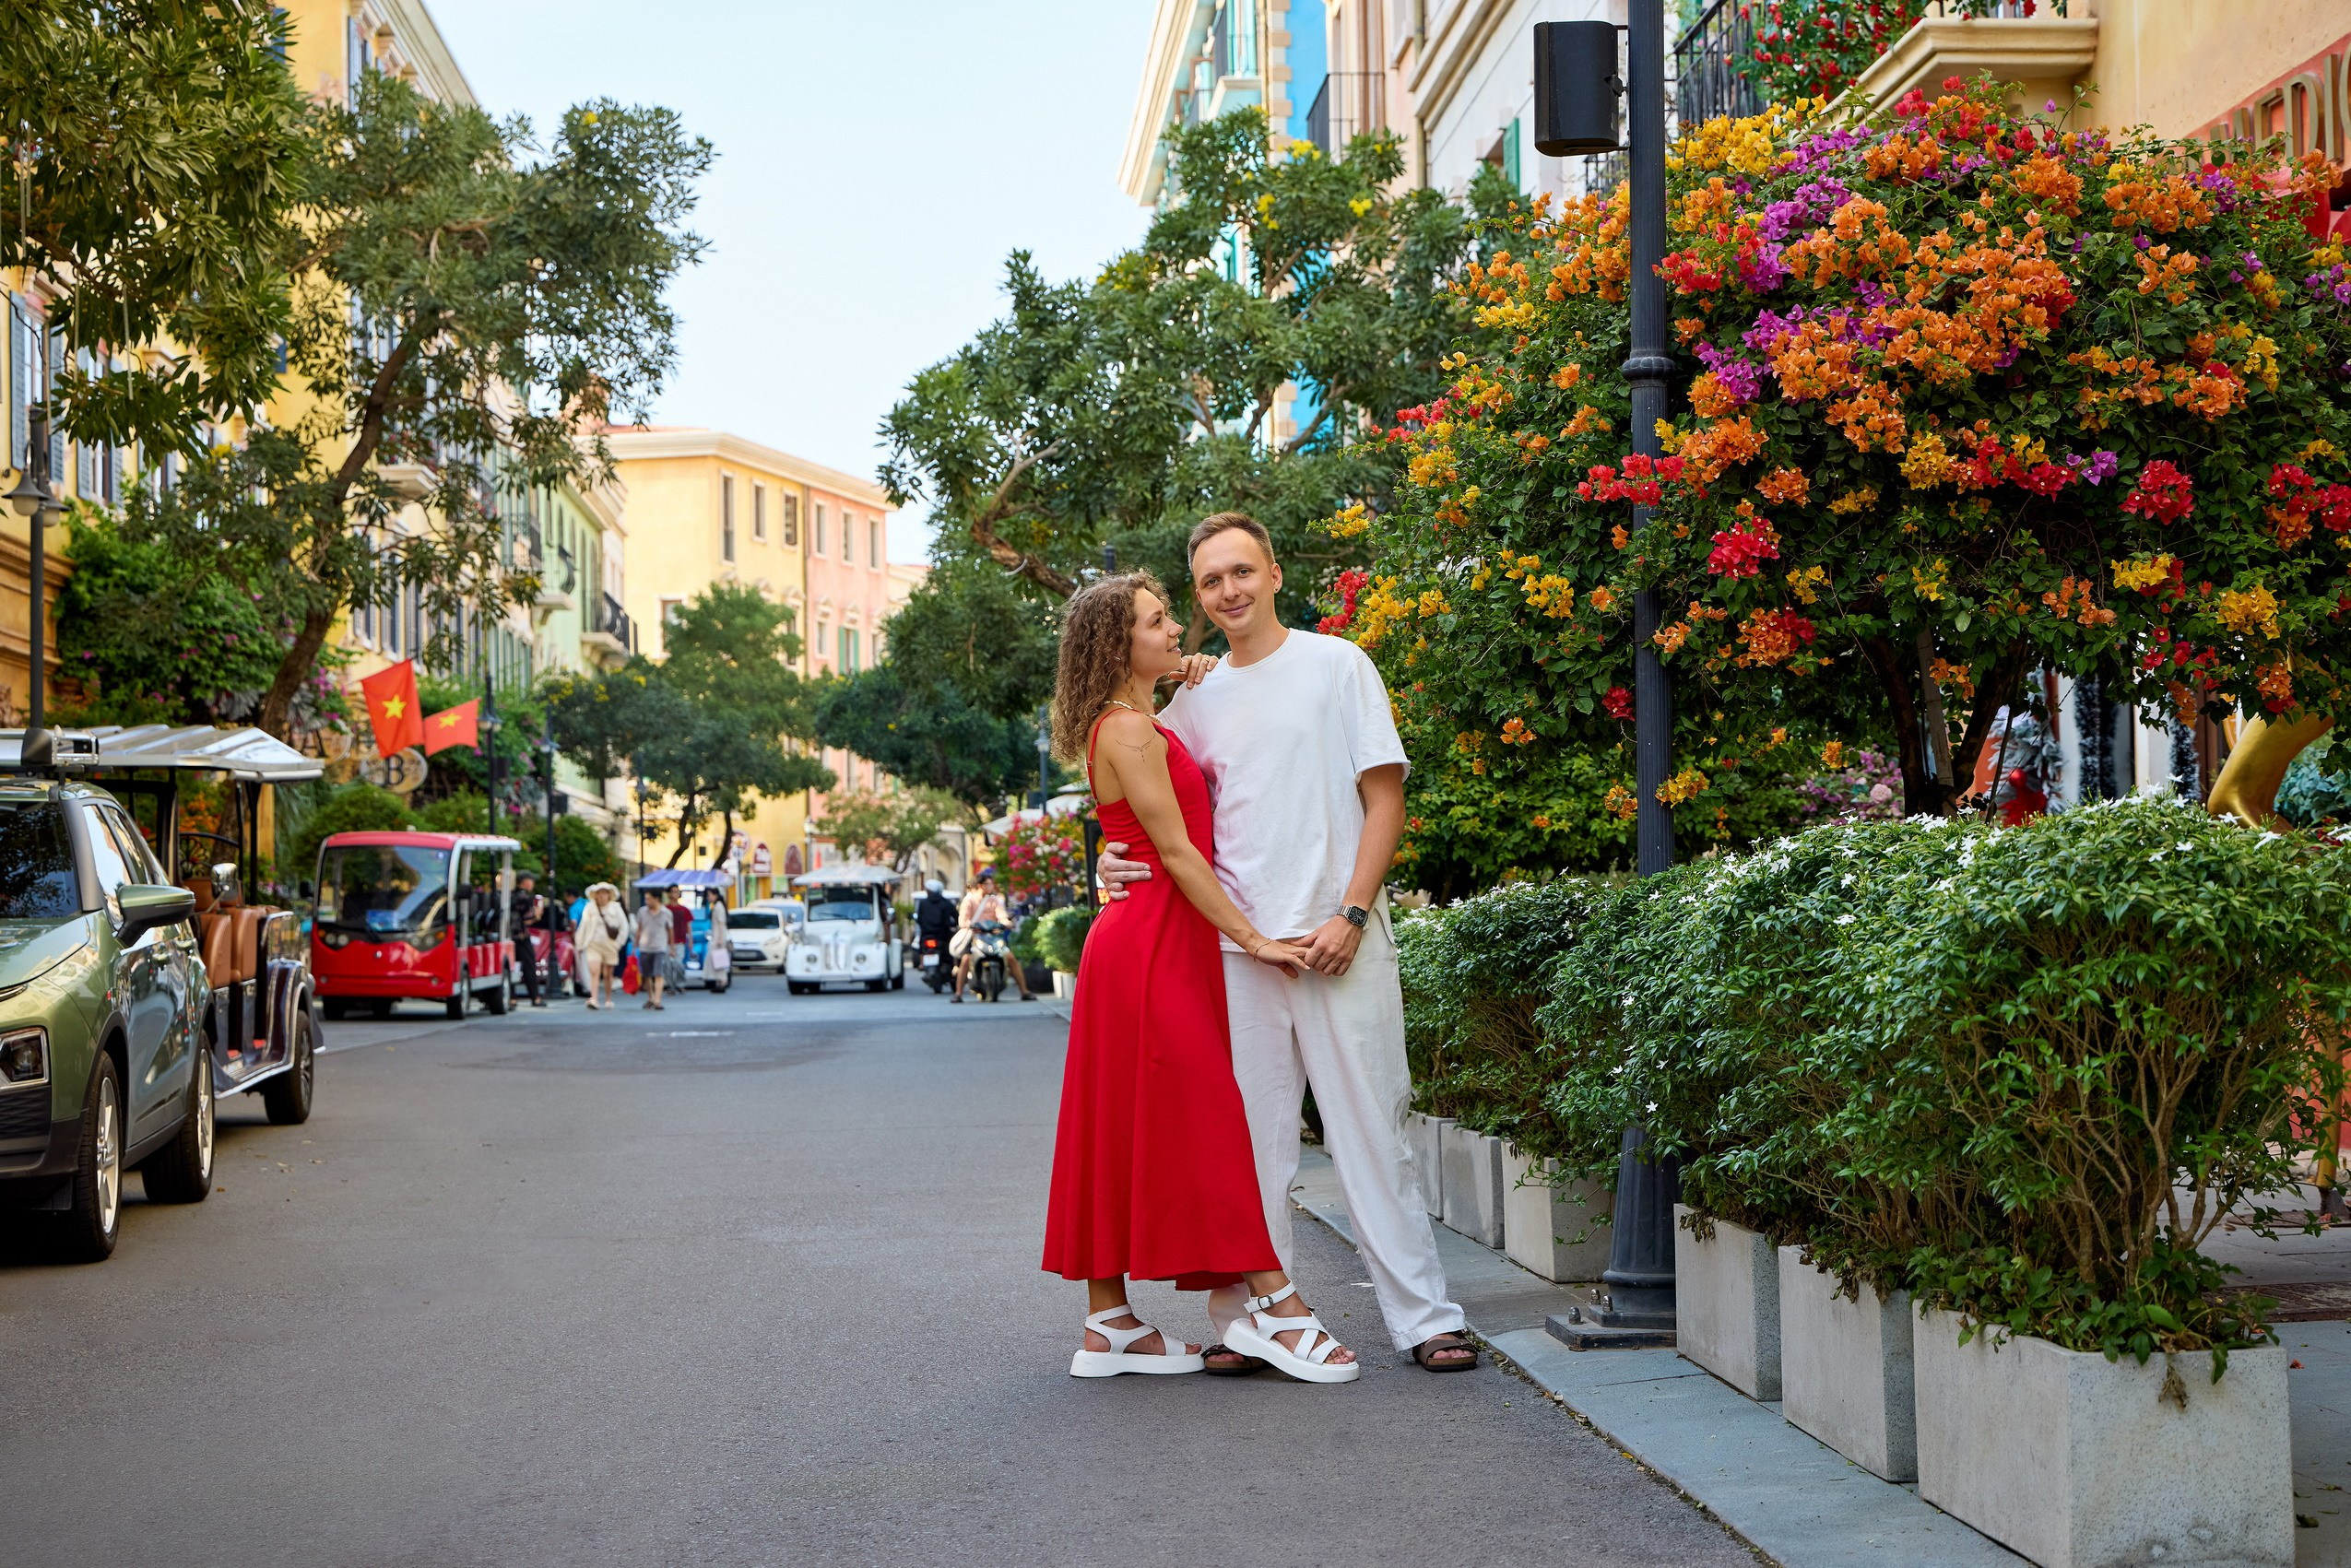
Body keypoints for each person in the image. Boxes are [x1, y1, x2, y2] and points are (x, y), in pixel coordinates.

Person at [1098, 512, 1476, 1374]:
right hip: (1235, 952)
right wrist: (1108, 865)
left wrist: (1351, 911)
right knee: (1248, 1143)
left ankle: (1425, 1318)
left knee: (1373, 1130)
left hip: (1339, 936)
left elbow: (1385, 798)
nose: (1227, 590)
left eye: (1240, 571)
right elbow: (1159, 817)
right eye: (1208, 582)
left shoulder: (1338, 665)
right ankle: (1252, 1321)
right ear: (1198, 599)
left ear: (1272, 572)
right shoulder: (1190, 701)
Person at [1042, 570, 1358, 1383]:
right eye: (1157, 622)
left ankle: (1107, 1318)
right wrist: (1254, 938)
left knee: (1120, 1123)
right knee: (1213, 1121)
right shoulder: (1129, 732)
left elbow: (1133, 831)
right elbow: (1176, 850)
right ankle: (1277, 1305)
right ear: (1121, 643)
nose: (1177, 627)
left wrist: (1189, 672)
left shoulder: (1138, 718)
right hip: (1150, 943)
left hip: (1152, 937)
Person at [951, 867, 1034, 1003]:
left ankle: (1024, 991)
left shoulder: (994, 901)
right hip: (975, 936)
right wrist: (967, 924)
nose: (991, 887)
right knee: (966, 959)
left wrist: (1006, 923)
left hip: (994, 937)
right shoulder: (969, 901)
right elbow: (963, 919)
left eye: (991, 884)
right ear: (980, 886)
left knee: (1010, 957)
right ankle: (958, 993)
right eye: (987, 884)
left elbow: (1001, 915)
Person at [577, 882, 626, 1009]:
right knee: (594, 971)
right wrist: (580, 943)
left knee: (608, 974)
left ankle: (608, 999)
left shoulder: (615, 907)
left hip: (610, 945)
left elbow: (624, 926)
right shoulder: (590, 908)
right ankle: (594, 999)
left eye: (604, 893)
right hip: (593, 944)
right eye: (599, 893)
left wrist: (618, 943)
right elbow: (583, 926)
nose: (601, 896)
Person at [511, 872, 547, 1008]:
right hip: (520, 936)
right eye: (531, 881)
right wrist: (537, 914)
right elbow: (528, 918)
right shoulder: (524, 897)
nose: (533, 884)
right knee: (529, 965)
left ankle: (511, 997)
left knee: (510, 966)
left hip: (508, 936)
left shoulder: (510, 895)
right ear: (524, 882)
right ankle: (535, 997)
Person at [914, 878, 957, 989]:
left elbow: (919, 919)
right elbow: (956, 917)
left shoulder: (923, 903)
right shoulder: (946, 903)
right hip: (942, 936)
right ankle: (954, 968)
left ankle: (923, 964)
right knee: (952, 953)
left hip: (927, 935)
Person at [633, 888, 671, 1009]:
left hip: (660, 947)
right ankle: (650, 997)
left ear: (657, 899)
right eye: (646, 899)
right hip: (645, 947)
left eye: (649, 899)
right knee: (647, 975)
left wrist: (672, 946)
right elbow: (639, 928)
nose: (647, 901)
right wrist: (635, 945)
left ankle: (657, 1000)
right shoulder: (642, 912)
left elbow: (670, 930)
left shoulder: (666, 913)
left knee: (658, 973)